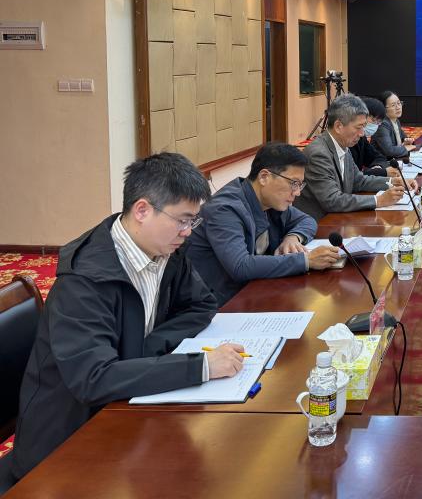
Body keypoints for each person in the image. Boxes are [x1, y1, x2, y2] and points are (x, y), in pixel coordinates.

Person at [6, 153, 244, 484]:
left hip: (124, 406)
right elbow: (92, 379)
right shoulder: (85, 281)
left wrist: (148, 348)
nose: (188, 232)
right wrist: (200, 366)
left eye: (193, 221)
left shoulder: (165, 250)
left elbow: (202, 303)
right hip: (67, 441)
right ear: (142, 210)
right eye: (182, 220)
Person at [185, 142, 339, 306]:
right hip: (216, 305)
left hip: (253, 292)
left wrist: (293, 238)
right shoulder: (224, 209)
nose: (297, 192)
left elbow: (307, 220)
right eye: (293, 183)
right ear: (264, 177)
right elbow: (240, 266)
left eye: (300, 184)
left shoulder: (270, 200)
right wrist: (306, 260)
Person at [295, 93, 411, 221]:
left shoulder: (343, 145)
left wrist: (393, 182)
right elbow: (332, 200)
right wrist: (378, 200)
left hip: (337, 218)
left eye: (364, 127)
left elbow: (358, 181)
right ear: (338, 126)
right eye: (358, 127)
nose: (362, 134)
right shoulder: (319, 154)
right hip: (318, 222)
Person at [351, 96, 398, 178]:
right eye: (373, 120)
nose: (375, 124)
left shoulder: (361, 138)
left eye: (378, 122)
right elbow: (349, 175)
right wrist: (379, 172)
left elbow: (378, 157)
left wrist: (378, 166)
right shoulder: (346, 140)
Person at [373, 90, 417, 160]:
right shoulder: (382, 125)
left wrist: (408, 141)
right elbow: (389, 151)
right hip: (381, 162)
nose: (398, 107)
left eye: (399, 103)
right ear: (383, 108)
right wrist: (406, 148)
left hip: (395, 160)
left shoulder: (395, 120)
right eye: (393, 105)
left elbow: (404, 139)